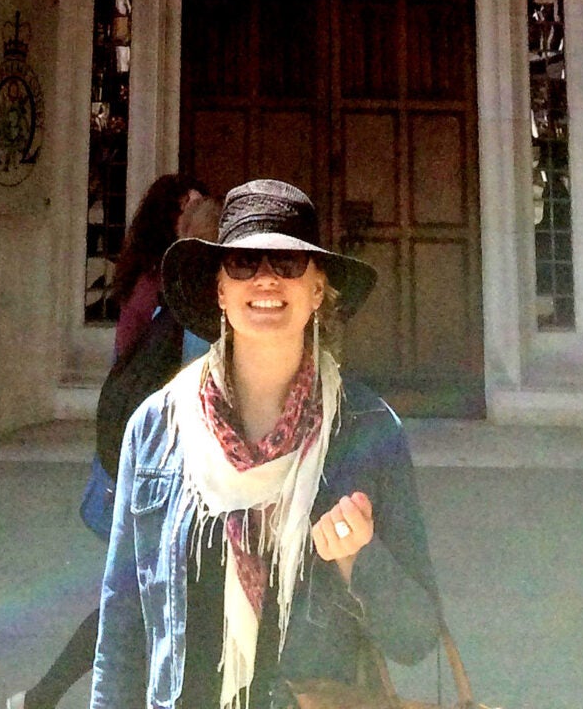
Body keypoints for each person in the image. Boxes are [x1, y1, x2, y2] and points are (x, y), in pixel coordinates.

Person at [92, 178, 440, 709]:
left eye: (288, 263)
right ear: (219, 290)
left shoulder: (368, 431)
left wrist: (359, 560)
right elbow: (121, 627)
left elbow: (416, 638)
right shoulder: (157, 428)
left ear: (318, 290)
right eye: (243, 263)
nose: (266, 278)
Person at [10, 177, 215, 709]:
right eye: (190, 207)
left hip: (148, 463)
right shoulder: (180, 296)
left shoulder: (164, 288)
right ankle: (44, 697)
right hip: (168, 473)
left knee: (144, 601)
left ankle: (42, 697)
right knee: (138, 602)